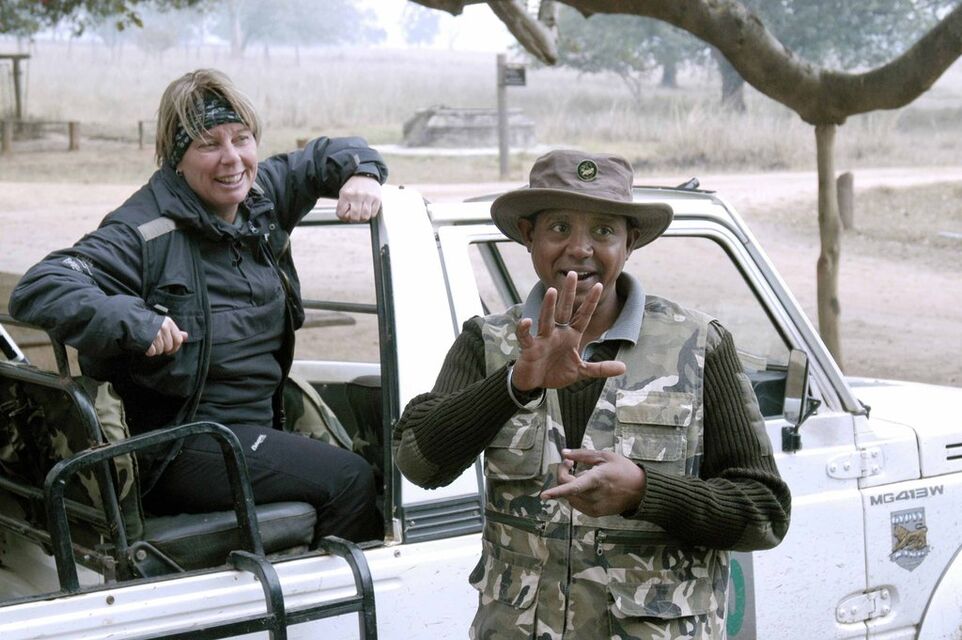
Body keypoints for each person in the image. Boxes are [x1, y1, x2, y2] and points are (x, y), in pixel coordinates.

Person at [394, 149, 791, 638]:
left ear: (630, 242)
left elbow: (766, 512)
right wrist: (514, 384)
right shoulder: (489, 342)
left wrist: (645, 491)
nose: (580, 249)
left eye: (603, 231)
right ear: (529, 235)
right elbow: (419, 464)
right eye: (559, 227)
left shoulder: (698, 344)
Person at [9, 68, 385, 544]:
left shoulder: (262, 198)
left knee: (380, 468)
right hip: (178, 445)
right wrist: (132, 318)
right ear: (176, 158)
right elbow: (41, 285)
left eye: (241, 138)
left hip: (256, 426)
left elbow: (327, 154)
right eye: (209, 144)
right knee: (350, 481)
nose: (232, 158)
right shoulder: (143, 230)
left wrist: (362, 173)